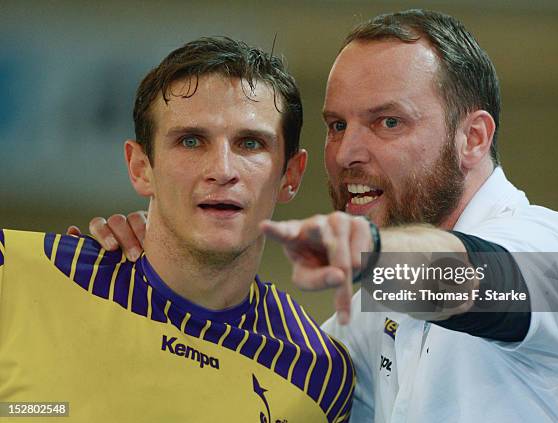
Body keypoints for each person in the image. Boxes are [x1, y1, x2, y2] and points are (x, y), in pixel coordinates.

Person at [84, 9, 558, 423]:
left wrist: (372, 256)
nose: (347, 153)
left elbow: (473, 279)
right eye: (337, 126)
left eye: (387, 122)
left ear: (472, 138)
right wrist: (156, 261)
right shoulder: (364, 315)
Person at [0, 37, 355, 422]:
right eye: (190, 141)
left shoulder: (320, 378)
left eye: (250, 143)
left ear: (291, 175)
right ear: (140, 167)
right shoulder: (16, 273)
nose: (222, 170)